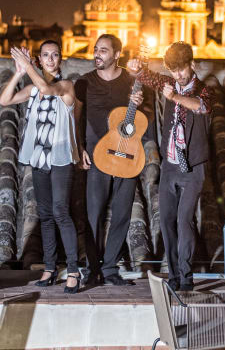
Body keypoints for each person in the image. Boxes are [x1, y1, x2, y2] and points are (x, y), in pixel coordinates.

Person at [126, 41, 211, 291]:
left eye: (181, 69)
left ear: (192, 65)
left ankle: (186, 277)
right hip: (170, 165)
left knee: (185, 221)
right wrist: (133, 67)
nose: (178, 75)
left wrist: (175, 97)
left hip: (194, 167)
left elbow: (201, 106)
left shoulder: (205, 89)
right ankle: (174, 276)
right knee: (166, 220)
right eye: (173, 71)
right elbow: (145, 76)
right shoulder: (168, 82)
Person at [0, 40, 81, 293]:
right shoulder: (33, 88)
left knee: (60, 211)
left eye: (55, 55)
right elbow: (5, 100)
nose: (50, 59)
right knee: (44, 214)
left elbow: (47, 88)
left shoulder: (66, 86)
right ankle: (50, 267)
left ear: (60, 59)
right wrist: (19, 72)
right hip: (39, 157)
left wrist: (29, 65)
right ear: (40, 58)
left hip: (60, 158)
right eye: (45, 55)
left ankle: (74, 270)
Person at [74, 34, 148, 286]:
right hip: (96, 155)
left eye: (103, 50)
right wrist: (80, 147)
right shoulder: (84, 82)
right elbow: (76, 117)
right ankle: (92, 268)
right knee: (93, 214)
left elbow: (143, 119)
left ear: (117, 55)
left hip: (127, 153)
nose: (97, 54)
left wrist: (140, 103)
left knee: (122, 213)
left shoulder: (131, 80)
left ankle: (110, 268)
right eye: (96, 49)